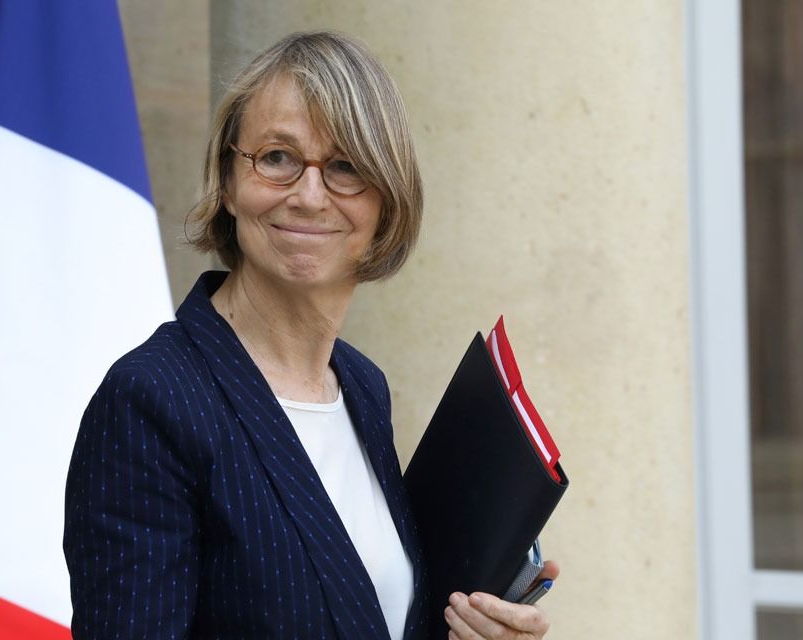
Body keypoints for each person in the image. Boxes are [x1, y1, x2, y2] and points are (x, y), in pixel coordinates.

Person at [64, 31, 557, 639]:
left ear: (386, 201)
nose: (309, 195)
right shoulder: (150, 400)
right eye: (276, 157)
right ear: (228, 182)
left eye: (346, 167)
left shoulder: (362, 387)